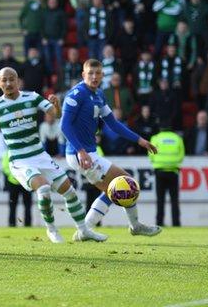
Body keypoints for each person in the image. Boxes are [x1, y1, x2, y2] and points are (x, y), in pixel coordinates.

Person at [0, 67, 106, 243]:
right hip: (20, 161)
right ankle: (52, 230)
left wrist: (56, 104)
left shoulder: (32, 97)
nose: (8, 83)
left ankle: (84, 231)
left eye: (12, 79)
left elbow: (56, 114)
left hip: (40, 156)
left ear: (18, 81)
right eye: (4, 80)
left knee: (70, 192)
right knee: (44, 188)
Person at [60, 59, 161, 236]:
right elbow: (65, 126)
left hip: (87, 153)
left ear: (102, 75)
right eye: (90, 73)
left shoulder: (99, 95)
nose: (94, 76)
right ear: (83, 75)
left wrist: (140, 140)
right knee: (126, 182)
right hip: (80, 154)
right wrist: (81, 151)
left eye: (97, 73)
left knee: (115, 189)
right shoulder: (76, 94)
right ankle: (132, 226)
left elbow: (113, 124)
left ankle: (85, 230)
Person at [149, 127, 185, 227]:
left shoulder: (155, 138)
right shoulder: (177, 138)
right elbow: (181, 155)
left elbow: (151, 154)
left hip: (160, 171)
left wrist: (157, 162)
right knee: (174, 200)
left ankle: (159, 223)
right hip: (173, 171)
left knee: (160, 200)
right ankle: (176, 223)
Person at [3, 151, 32, 227]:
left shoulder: (25, 151)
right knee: (13, 205)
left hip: (25, 182)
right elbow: (5, 167)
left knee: (27, 205)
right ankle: (12, 224)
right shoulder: (9, 153)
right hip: (14, 182)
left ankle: (28, 224)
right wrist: (16, 175)